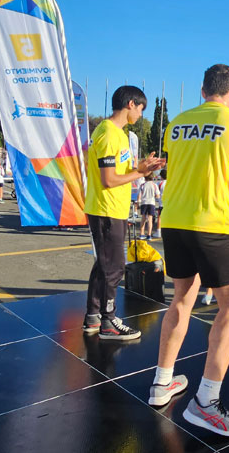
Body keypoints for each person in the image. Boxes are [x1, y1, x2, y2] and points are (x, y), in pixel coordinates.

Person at [152, 64, 229, 437]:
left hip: (174, 220)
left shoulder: (176, 123)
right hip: (212, 223)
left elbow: (180, 169)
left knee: (182, 298)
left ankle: (162, 382)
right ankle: (205, 402)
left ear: (203, 91)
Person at [83, 85, 165, 341]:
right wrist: (139, 172)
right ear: (131, 104)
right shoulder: (109, 133)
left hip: (112, 208)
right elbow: (108, 179)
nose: (141, 115)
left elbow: (123, 173)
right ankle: (108, 321)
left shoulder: (118, 134)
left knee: (105, 265)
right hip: (106, 209)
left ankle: (94, 317)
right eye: (141, 109)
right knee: (114, 267)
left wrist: (142, 168)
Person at [137, 173, 160, 239]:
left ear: (145, 177)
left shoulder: (142, 185)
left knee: (143, 218)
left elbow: (139, 195)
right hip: (151, 203)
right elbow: (157, 196)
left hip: (144, 202)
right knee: (150, 219)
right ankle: (149, 235)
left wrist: (138, 202)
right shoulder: (154, 185)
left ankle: (142, 234)